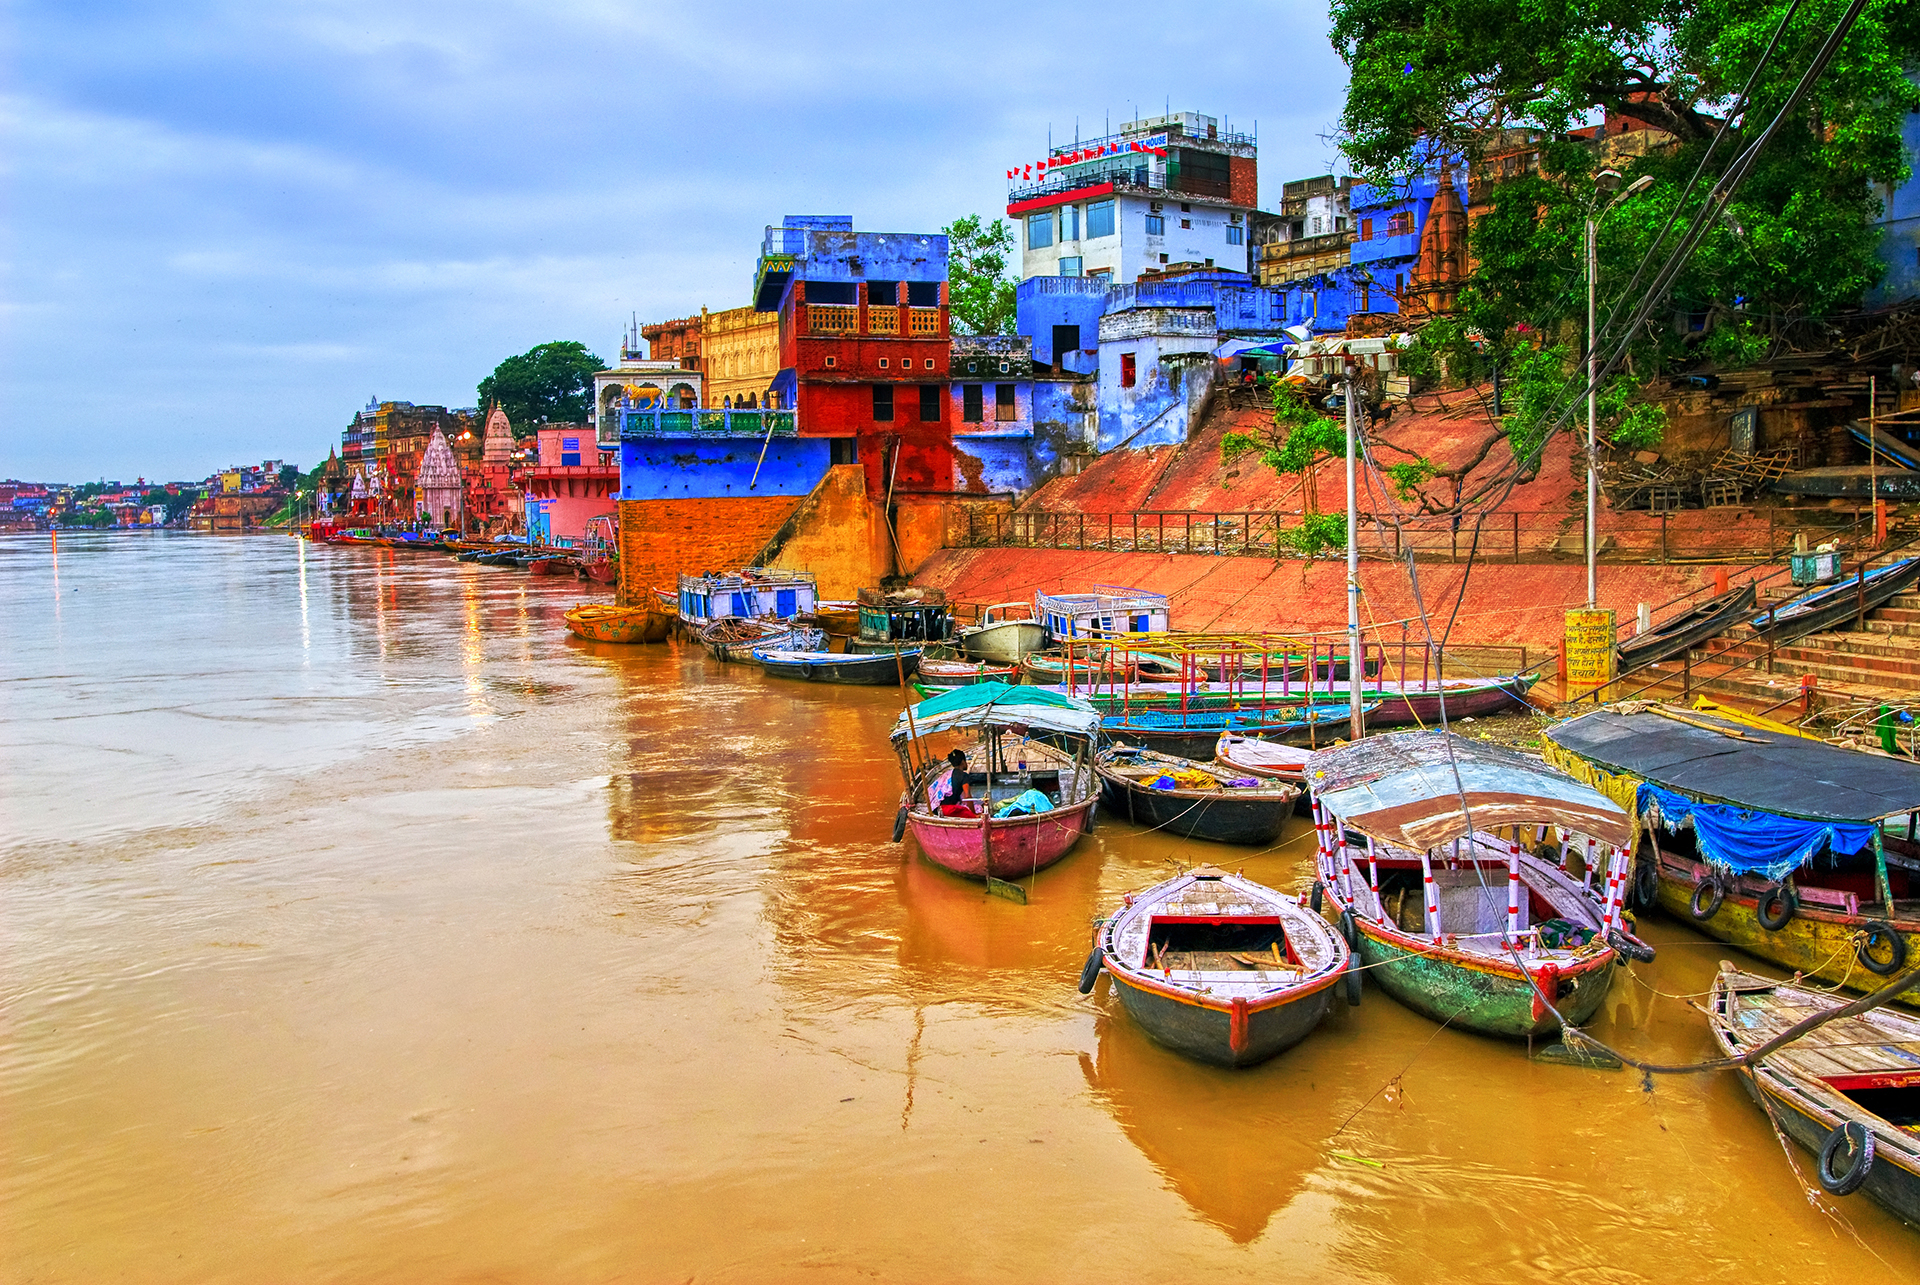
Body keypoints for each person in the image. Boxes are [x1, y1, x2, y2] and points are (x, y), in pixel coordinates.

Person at [938, 748, 973, 816]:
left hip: (939, 808)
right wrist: (973, 813)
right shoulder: (964, 776)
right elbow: (967, 796)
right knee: (977, 810)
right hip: (949, 809)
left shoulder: (947, 774)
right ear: (963, 762)